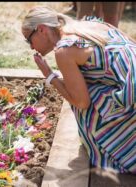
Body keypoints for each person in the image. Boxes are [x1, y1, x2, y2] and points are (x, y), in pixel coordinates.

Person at [21, 6, 136, 174]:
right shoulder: (85, 26)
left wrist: (50, 76)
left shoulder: (64, 50)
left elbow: (82, 102)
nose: (31, 47)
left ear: (41, 29)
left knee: (86, 98)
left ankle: (125, 150)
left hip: (131, 94)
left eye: (29, 40)